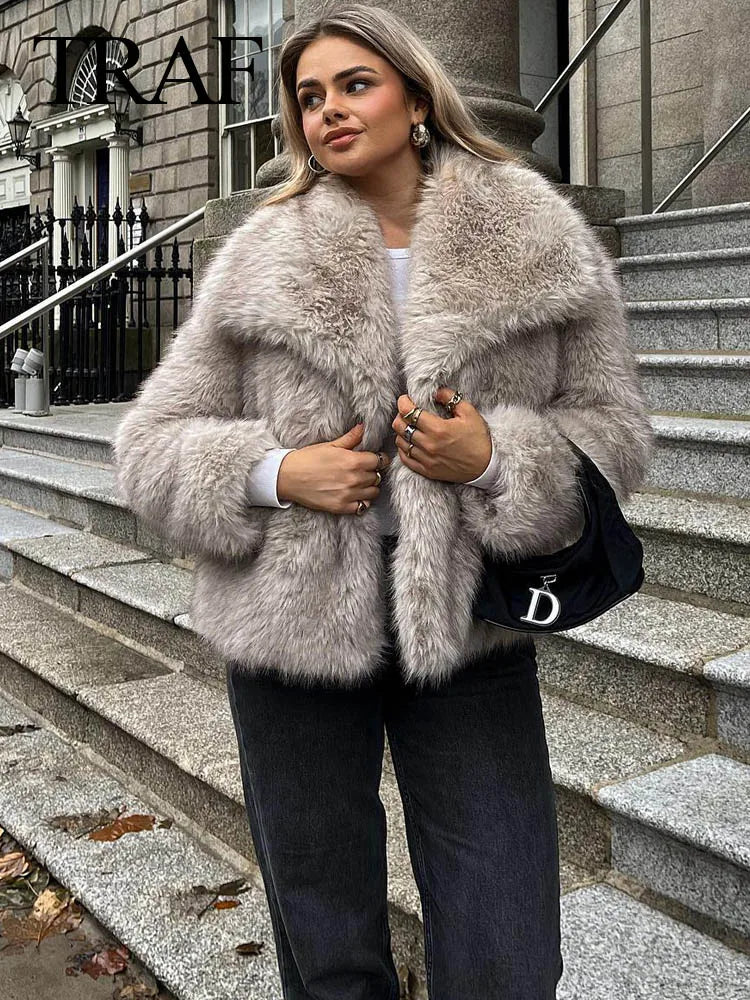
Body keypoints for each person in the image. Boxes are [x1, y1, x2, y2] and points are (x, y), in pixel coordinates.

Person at [113, 4, 654, 997]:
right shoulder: (263, 252)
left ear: (415, 99)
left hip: (471, 626)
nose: (327, 110)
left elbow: (615, 430)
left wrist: (496, 458)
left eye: (354, 84)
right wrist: (277, 473)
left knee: (508, 945)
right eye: (309, 96)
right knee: (326, 945)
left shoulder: (535, 234)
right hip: (291, 632)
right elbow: (149, 445)